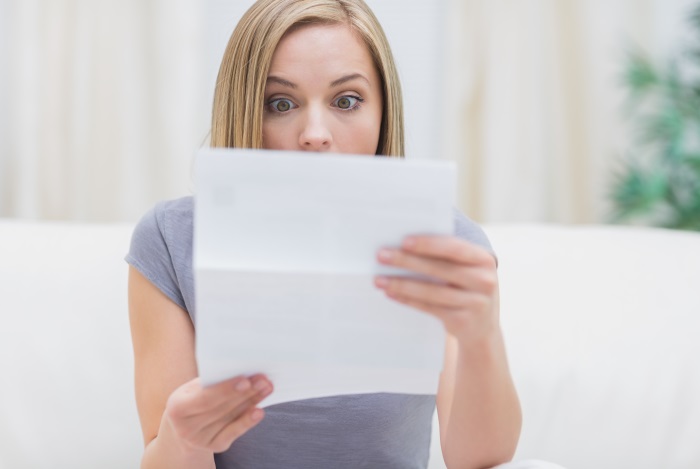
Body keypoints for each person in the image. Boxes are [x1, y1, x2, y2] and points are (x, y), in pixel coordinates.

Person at [126, 1, 547, 468]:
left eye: (346, 100)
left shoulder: (444, 245)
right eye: (280, 103)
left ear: (383, 111)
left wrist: (481, 334)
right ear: (245, 109)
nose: (315, 134)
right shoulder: (169, 240)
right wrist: (183, 438)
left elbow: (480, 459)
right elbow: (163, 455)